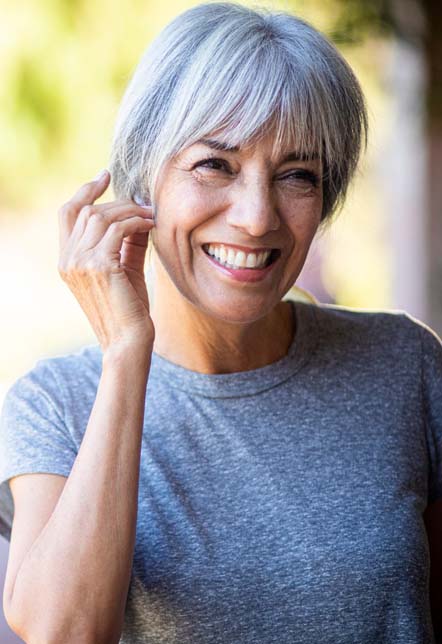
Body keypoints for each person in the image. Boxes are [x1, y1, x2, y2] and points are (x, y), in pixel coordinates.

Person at [0, 2, 441, 643]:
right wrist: (128, 352)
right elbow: (65, 633)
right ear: (142, 176)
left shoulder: (406, 366)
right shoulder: (56, 404)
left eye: (297, 175)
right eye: (216, 165)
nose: (257, 217)